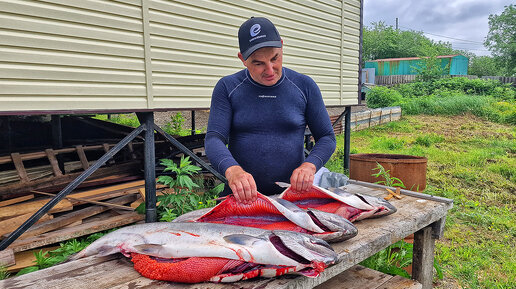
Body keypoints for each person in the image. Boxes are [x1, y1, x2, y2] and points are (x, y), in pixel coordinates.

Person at [205, 17, 336, 204]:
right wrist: (232, 170)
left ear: (282, 46)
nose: (270, 70)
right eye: (258, 63)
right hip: (242, 199)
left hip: (292, 198)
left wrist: (310, 165)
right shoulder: (227, 87)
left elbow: (327, 137)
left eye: (275, 58)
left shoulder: (304, 85)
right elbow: (213, 139)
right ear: (242, 59)